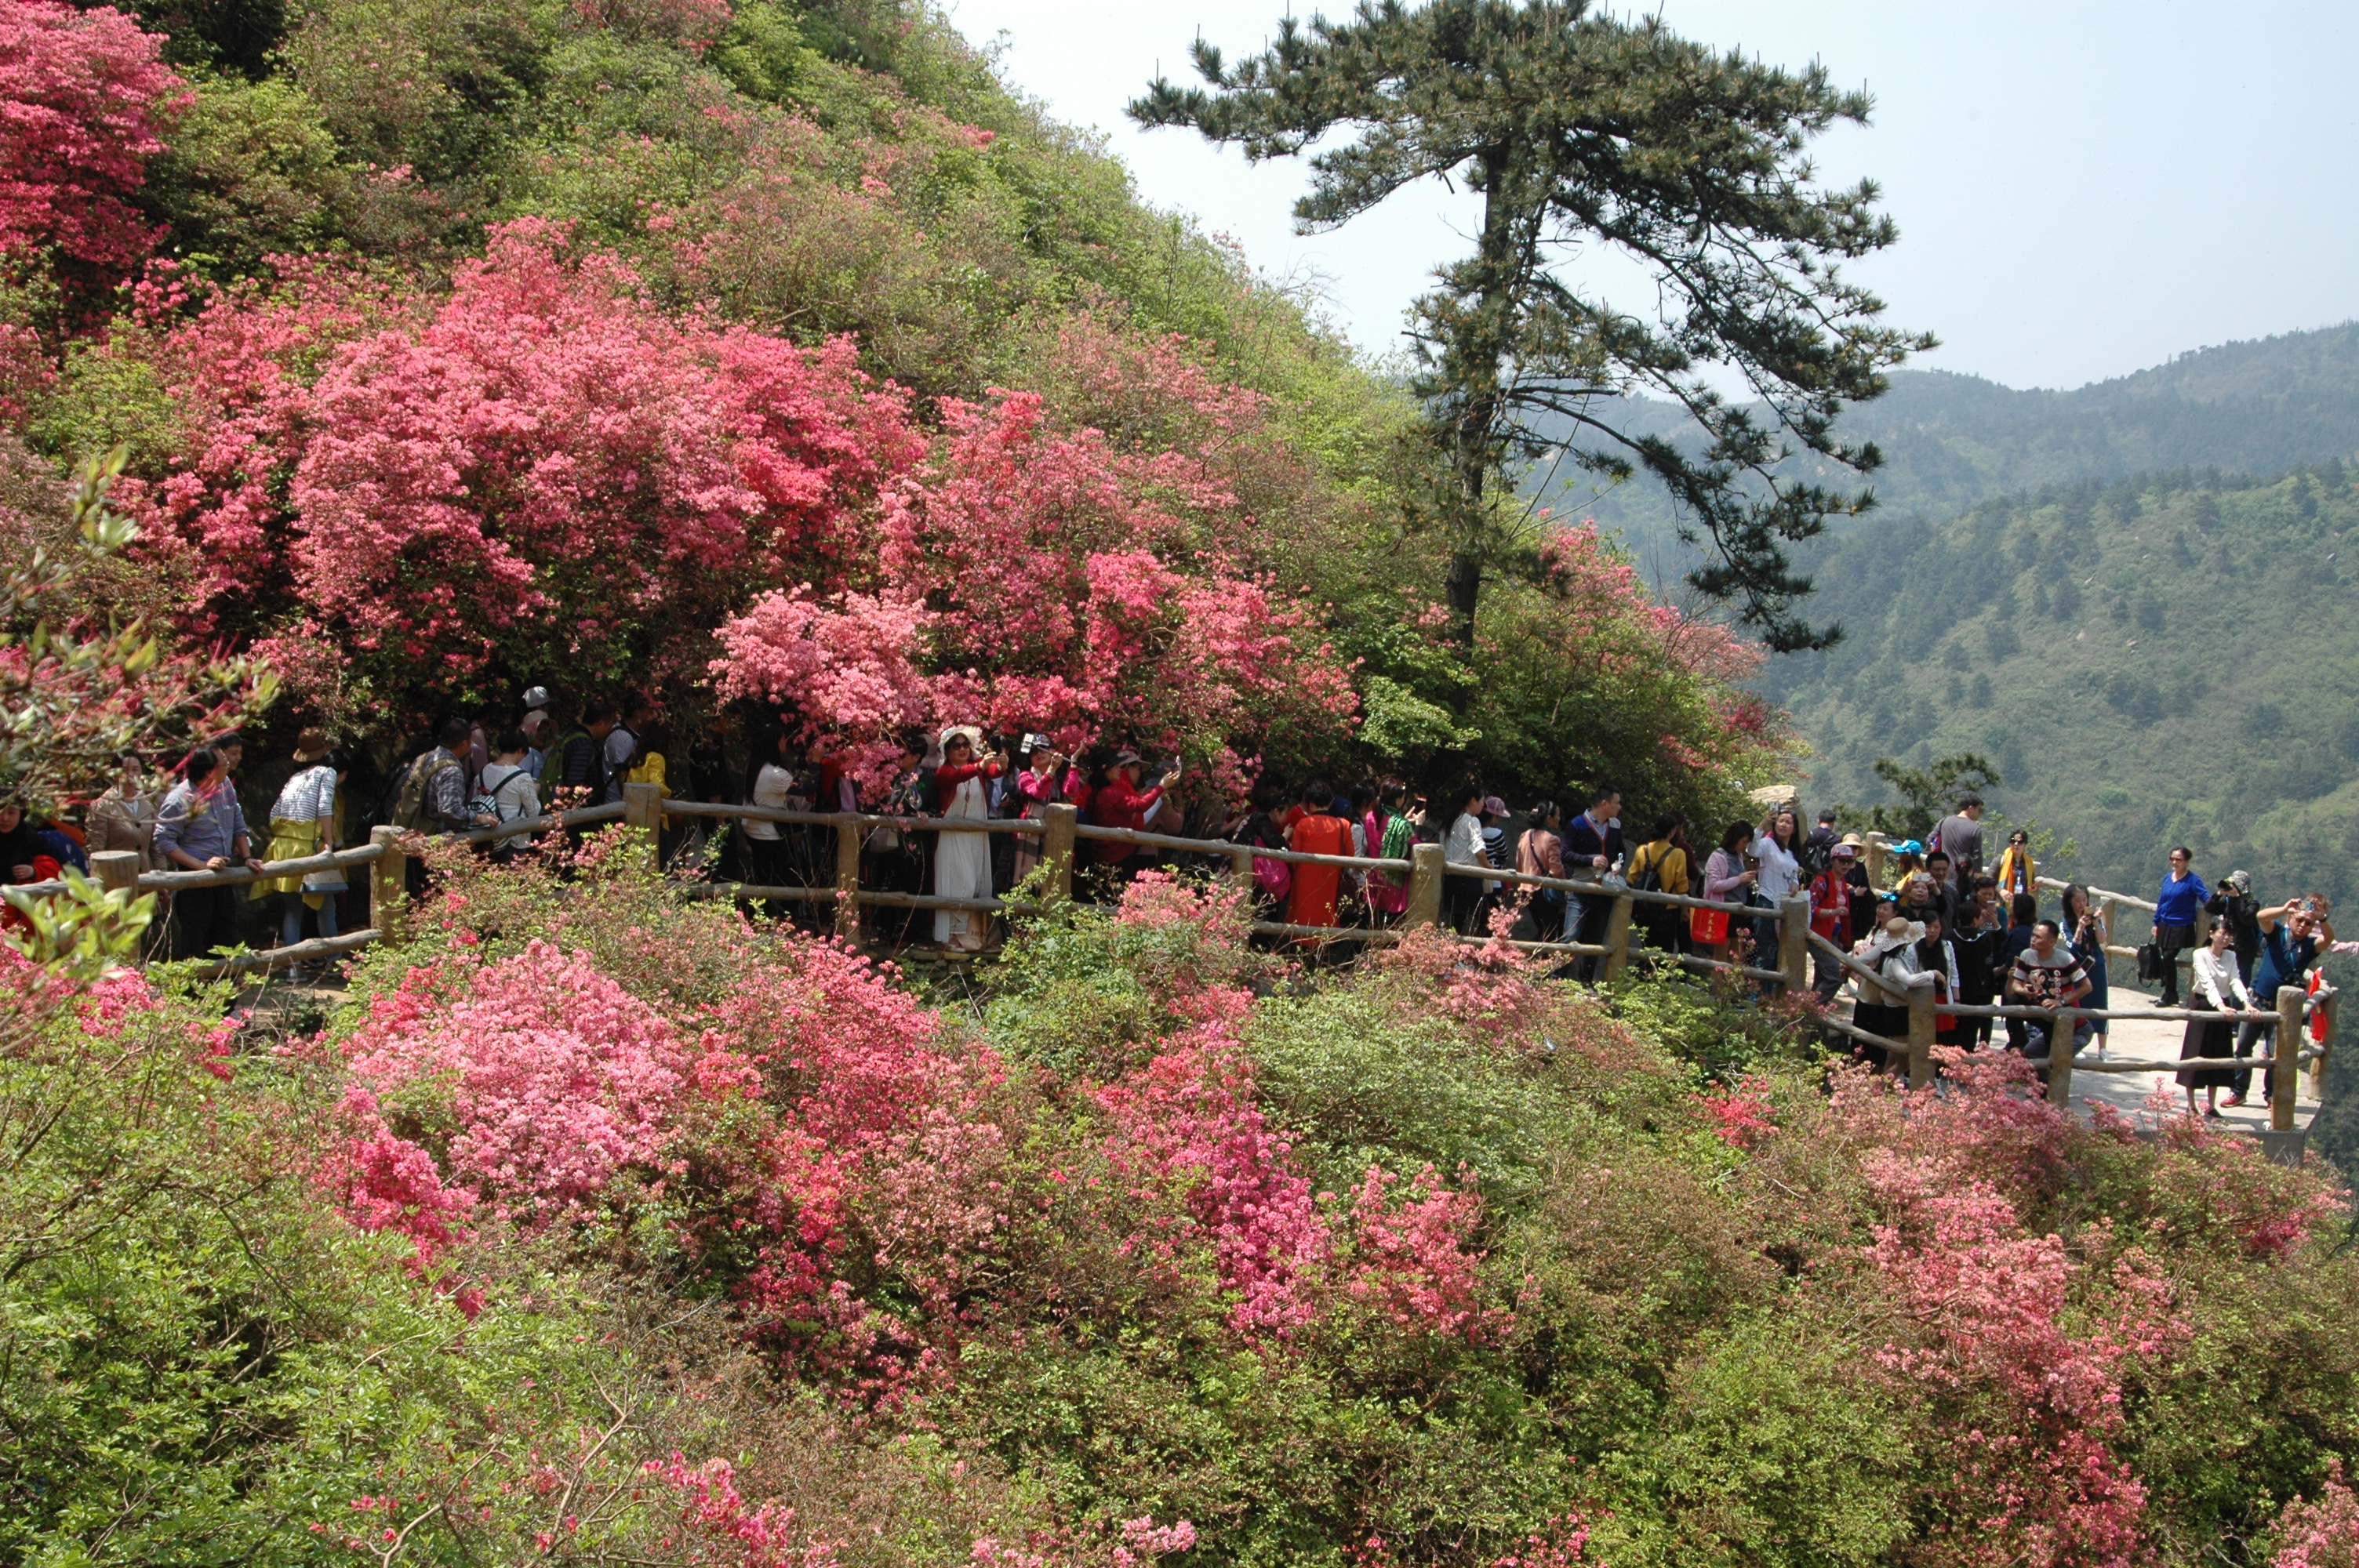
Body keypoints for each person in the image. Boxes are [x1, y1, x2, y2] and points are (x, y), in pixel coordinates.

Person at [153, 746, 264, 960]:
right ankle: (194, 994)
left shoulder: (225, 788)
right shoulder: (179, 799)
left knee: (228, 939)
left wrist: (247, 857)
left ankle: (227, 993)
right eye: (224, 763)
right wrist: (201, 865)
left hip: (223, 875)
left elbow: (238, 824)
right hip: (193, 880)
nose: (229, 766)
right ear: (209, 771)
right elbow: (163, 840)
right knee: (195, 943)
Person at [251, 728, 343, 970]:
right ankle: (334, 962)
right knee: (326, 906)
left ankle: (293, 967)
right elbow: (324, 807)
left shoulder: (293, 779)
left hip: (282, 847)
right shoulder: (327, 772)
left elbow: (274, 813)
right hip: (307, 848)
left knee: (292, 910)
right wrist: (329, 843)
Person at [2234, 895, 2335, 1109]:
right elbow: (2261, 917)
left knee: (2275, 1056)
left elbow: (2327, 939)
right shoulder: (2277, 933)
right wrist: (2284, 908)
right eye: (2299, 919)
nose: (2302, 925)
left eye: (2308, 923)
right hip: (2258, 1002)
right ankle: (2238, 1092)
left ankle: (2271, 1097)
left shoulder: (2309, 945)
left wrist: (2322, 919)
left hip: (2283, 1010)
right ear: (2291, 918)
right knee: (2243, 1048)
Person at [932, 727, 1003, 951]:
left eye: (965, 744)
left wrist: (1002, 762)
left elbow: (996, 773)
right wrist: (980, 765)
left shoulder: (977, 768)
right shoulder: (944, 772)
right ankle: (952, 935)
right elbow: (958, 776)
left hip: (975, 834)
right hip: (952, 835)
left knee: (975, 884)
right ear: (947, 750)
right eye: (956, 746)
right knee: (960, 884)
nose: (962, 749)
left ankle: (971, 936)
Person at [2175, 920, 2252, 1118]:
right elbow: (2207, 982)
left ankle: (2210, 1105)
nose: (2226, 938)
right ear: (2212, 933)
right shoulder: (2200, 954)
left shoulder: (2231, 956)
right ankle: (2191, 1106)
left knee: (2218, 1055)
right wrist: (2221, 1007)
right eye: (2222, 933)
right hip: (2204, 1004)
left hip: (2224, 1005)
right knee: (2196, 1052)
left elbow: (2235, 980)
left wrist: (2246, 1003)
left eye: (2229, 934)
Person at [2006, 918, 2093, 1064]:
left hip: (2073, 1027)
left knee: (2055, 1060)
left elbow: (2087, 986)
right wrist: (2024, 991)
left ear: (2052, 942)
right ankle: (2018, 1042)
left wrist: (2061, 1001)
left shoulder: (2065, 959)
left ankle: (2047, 1085)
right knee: (2030, 1053)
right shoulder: (2027, 955)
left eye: (2038, 937)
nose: (2033, 939)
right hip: (2047, 1017)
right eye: (2033, 935)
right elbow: (2015, 986)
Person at [1090, 751, 1179, 887]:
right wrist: (1162, 787)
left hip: (1111, 851)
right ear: (1106, 769)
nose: (1119, 769)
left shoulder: (1104, 790)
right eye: (1115, 766)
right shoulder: (1110, 792)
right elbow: (1140, 805)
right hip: (1115, 853)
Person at [1563, 786, 1625, 978]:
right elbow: (1564, 853)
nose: (1619, 807)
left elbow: (1621, 851)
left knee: (1595, 940)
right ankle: (1556, 980)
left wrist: (1618, 864)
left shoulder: (1615, 825)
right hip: (1580, 891)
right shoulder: (1577, 824)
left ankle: (1586, 982)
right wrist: (1590, 860)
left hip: (1605, 892)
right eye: (1617, 803)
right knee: (1570, 937)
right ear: (1604, 803)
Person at [738, 723, 797, 916]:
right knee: (777, 880)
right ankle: (773, 918)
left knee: (762, 877)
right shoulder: (775, 774)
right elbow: (806, 789)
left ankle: (761, 917)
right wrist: (815, 761)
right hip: (768, 834)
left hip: (752, 830)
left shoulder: (754, 766)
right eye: (783, 739)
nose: (786, 742)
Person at [1851, 916, 1921, 1072]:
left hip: (1891, 1007)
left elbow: (1866, 958)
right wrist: (1932, 975)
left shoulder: (1888, 956)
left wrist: (1850, 964)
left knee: (1891, 1055)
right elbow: (1908, 980)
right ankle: (1882, 1087)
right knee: (1902, 1059)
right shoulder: (1894, 961)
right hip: (1896, 1010)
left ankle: (1885, 1088)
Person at [1282, 780, 1353, 935]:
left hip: (1305, 880)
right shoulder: (1344, 825)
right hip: (1331, 878)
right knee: (1327, 914)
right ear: (1331, 802)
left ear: (1310, 804)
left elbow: (1294, 859)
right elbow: (1351, 855)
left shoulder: (1302, 824)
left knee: (1303, 916)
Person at [2150, 847, 2208, 1007]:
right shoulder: (2168, 878)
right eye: (2172, 859)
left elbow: (2205, 897)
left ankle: (2170, 994)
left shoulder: (2193, 880)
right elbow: (2162, 902)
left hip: (2182, 925)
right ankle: (2170, 993)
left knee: (2168, 957)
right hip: (2165, 923)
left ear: (2187, 861)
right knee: (2165, 959)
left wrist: (2217, 905)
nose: (2175, 862)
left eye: (2178, 859)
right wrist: (2156, 922)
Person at [2058, 883, 2111, 1057]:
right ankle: (2077, 1042)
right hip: (2077, 967)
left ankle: (2103, 1048)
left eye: (2084, 900)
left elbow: (2102, 940)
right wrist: (2080, 927)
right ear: (2070, 902)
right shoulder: (2065, 923)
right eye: (2077, 900)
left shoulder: (2095, 919)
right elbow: (2073, 948)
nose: (2081, 904)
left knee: (2101, 1004)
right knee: (2078, 1003)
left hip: (2097, 964)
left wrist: (2096, 923)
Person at [1627, 813, 1691, 958]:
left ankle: (1643, 976)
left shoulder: (1642, 850)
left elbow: (1631, 877)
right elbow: (1682, 885)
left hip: (1644, 907)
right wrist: (1685, 910)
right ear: (1672, 832)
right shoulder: (1678, 854)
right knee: (1665, 953)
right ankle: (1660, 980)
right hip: (1668, 909)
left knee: (1646, 948)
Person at [85, 752, 158, 873]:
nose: (130, 775)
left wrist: (162, 879)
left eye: (135, 770)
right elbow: (95, 851)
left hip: (146, 880)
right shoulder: (102, 806)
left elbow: (156, 850)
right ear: (114, 774)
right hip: (116, 877)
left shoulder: (148, 804)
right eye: (124, 770)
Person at [474, 728, 542, 857]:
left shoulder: (482, 773)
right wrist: (535, 789)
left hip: (489, 839)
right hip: (513, 840)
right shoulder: (522, 777)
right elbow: (534, 812)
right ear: (521, 750)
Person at [1697, 819, 1757, 961]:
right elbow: (1714, 885)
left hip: (1737, 911)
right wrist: (1739, 879)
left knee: (1737, 957)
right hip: (1723, 911)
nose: (1745, 846)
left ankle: (1731, 983)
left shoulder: (1739, 856)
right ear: (1735, 838)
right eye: (1744, 841)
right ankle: (1717, 984)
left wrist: (1746, 880)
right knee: (1721, 956)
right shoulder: (1718, 857)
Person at [1806, 838, 1859, 997]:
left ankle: (1809, 1012)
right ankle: (1814, 1010)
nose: (1845, 865)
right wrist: (1832, 912)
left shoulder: (1842, 881)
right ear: (1833, 860)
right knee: (1835, 976)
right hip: (1818, 933)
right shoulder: (1822, 881)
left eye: (1849, 862)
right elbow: (1811, 908)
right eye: (1842, 861)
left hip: (1833, 934)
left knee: (1822, 974)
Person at [1514, 800, 1566, 942]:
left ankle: (1533, 959)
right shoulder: (1552, 840)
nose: (1559, 819)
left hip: (1526, 891)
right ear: (1549, 818)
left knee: (1543, 930)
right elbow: (1556, 871)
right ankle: (1538, 960)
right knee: (1550, 932)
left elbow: (1519, 865)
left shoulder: (1524, 836)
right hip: (1543, 893)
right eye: (1558, 815)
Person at [1441, 785, 1490, 935]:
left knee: (1457, 923)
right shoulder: (1471, 821)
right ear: (1473, 801)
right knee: (1487, 921)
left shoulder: (1449, 820)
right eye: (1482, 801)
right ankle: (1476, 955)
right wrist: (1489, 867)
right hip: (1468, 878)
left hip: (1450, 878)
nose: (1483, 805)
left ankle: (1457, 956)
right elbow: (1479, 851)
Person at [1363, 781, 1412, 923]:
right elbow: (1415, 845)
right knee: (1392, 927)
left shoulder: (1370, 817)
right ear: (1398, 800)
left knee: (1373, 924)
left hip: (1373, 878)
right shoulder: (1401, 824)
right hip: (1393, 882)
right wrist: (1419, 825)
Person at [1917, 909, 1967, 1047]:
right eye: (1928, 927)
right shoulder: (1913, 948)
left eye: (1936, 927)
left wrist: (1956, 1000)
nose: (1932, 931)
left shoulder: (1947, 946)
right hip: (1922, 999)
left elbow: (1954, 974)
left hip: (1944, 998)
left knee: (1944, 1042)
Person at [2207, 870, 2262, 982]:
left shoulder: (2252, 903)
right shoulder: (2227, 901)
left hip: (2244, 949)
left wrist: (2237, 898)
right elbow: (2209, 908)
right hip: (2226, 946)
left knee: (2241, 981)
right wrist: (2218, 895)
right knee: (2221, 979)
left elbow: (2246, 917)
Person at [1935, 794, 1986, 882]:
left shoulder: (1944, 821)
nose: (1980, 813)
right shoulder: (1975, 829)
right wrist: (1978, 875)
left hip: (1944, 876)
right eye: (1979, 809)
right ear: (1971, 808)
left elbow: (1931, 840)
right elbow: (1977, 856)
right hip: (1964, 879)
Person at [1993, 829, 2036, 912]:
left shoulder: (2029, 863)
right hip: (2002, 905)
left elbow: (2030, 882)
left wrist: (2033, 887)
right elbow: (1989, 880)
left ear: (2025, 844)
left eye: (2020, 842)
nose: (2016, 844)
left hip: (2022, 907)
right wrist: (2001, 890)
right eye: (2013, 841)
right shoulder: (2001, 860)